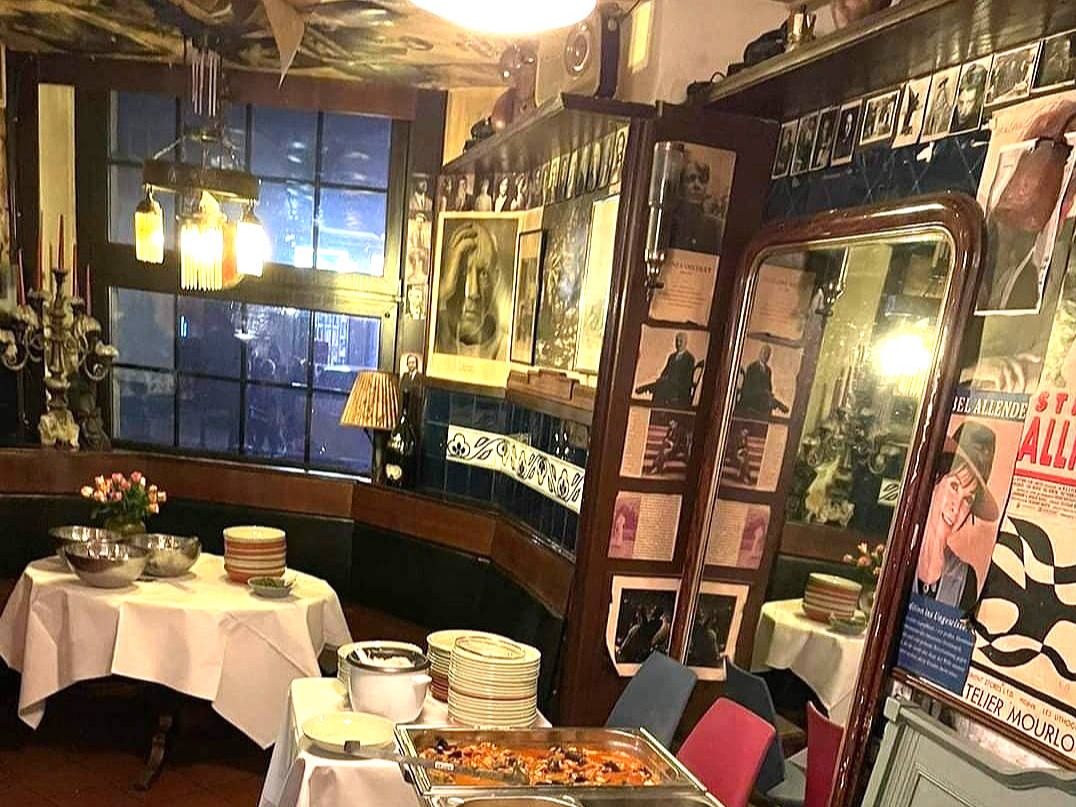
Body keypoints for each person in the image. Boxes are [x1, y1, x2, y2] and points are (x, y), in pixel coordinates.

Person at [915, 421, 999, 613]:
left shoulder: (965, 578)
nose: (957, 506)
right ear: (936, 482)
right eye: (954, 486)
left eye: (968, 499)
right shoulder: (903, 548)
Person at [434, 221, 508, 359]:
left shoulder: (506, 349)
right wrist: (442, 291)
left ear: (496, 279)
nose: (473, 292)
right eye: (461, 272)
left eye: (483, 274)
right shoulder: (431, 330)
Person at [670, 160, 723, 253]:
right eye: (691, 179)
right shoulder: (671, 220)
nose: (697, 185)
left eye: (702, 180)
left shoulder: (714, 225)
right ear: (681, 185)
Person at [635, 332, 697, 408]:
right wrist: (662, 378)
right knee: (660, 386)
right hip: (668, 386)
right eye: (677, 341)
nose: (678, 343)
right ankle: (655, 409)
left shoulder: (690, 358)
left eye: (681, 341)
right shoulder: (672, 356)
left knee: (660, 387)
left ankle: (646, 389)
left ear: (686, 343)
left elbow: (686, 378)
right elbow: (665, 371)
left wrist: (670, 380)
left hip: (680, 389)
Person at [738, 344, 789, 416]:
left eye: (768, 355)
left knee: (769, 400)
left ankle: (779, 405)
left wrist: (769, 393)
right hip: (752, 397)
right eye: (764, 353)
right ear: (760, 354)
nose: (766, 356)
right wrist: (762, 391)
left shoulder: (768, 370)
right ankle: (779, 405)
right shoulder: (752, 367)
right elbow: (747, 387)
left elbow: (769, 387)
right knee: (768, 400)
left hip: (763, 398)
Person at [952, 63, 987, 132]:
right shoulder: (951, 118)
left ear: (978, 102)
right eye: (961, 102)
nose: (963, 111)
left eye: (969, 103)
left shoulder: (983, 124)